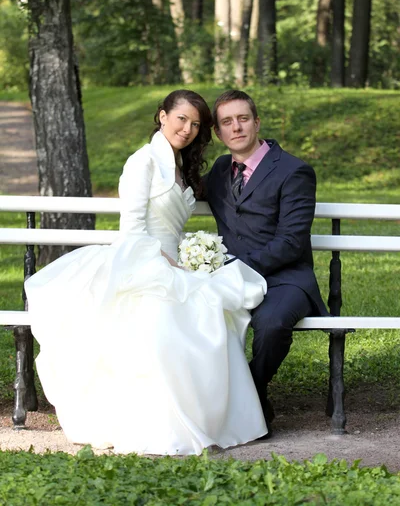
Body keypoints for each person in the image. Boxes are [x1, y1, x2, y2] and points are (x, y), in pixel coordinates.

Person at [25, 89, 268, 456]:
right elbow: (133, 228)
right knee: (166, 318)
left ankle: (211, 417)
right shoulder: (144, 162)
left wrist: (189, 257)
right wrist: (165, 261)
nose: (186, 129)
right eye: (181, 119)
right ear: (162, 116)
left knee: (210, 310)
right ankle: (163, 424)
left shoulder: (179, 164)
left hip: (174, 261)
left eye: (195, 124)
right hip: (143, 261)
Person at [204, 90, 329, 436]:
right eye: (227, 122)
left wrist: (235, 266)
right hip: (231, 281)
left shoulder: (294, 171)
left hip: (285, 279)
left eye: (243, 118)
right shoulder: (218, 171)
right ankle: (211, 402)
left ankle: (252, 392)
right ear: (218, 133)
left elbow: (290, 242)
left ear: (257, 122)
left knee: (273, 323)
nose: (237, 127)